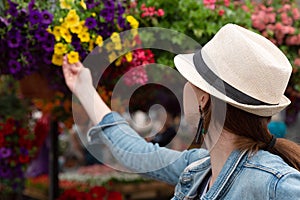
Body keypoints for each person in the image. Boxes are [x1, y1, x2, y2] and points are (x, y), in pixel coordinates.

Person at [62, 24, 300, 199]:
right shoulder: (200, 165)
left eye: (190, 80)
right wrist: (84, 89)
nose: (183, 86)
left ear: (203, 99)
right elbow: (137, 153)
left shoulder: (274, 183)